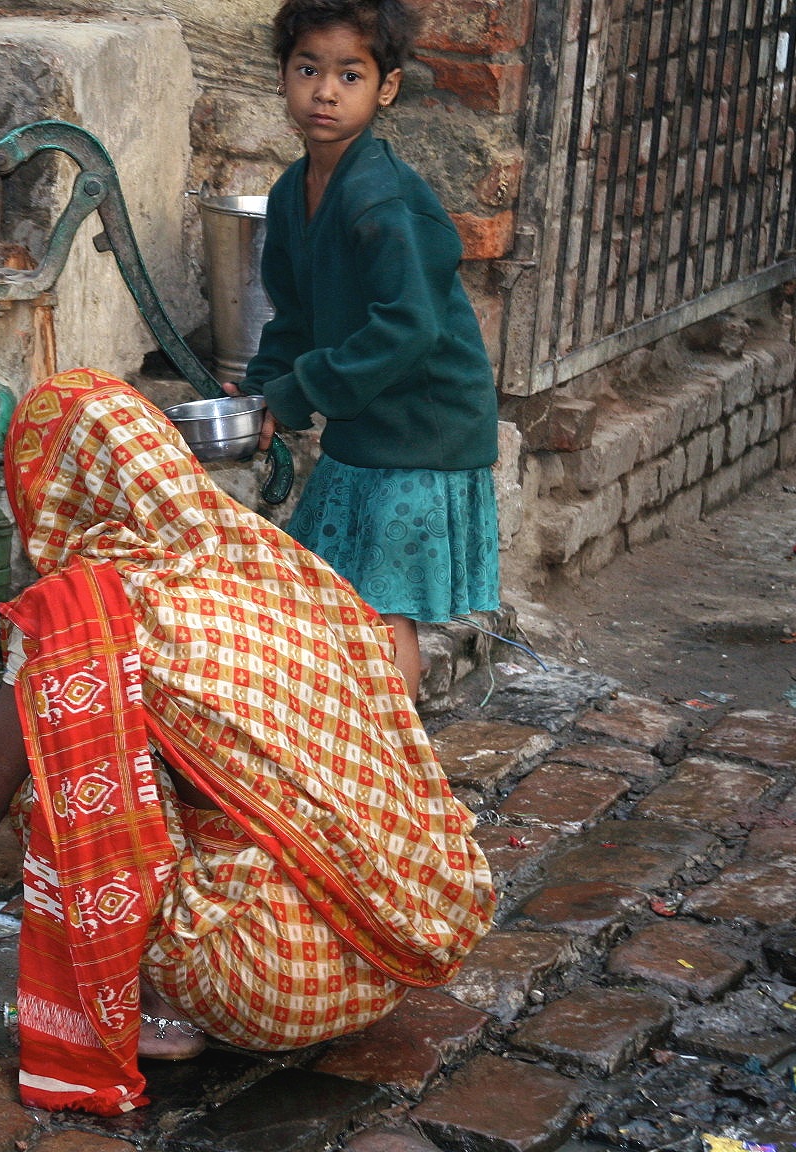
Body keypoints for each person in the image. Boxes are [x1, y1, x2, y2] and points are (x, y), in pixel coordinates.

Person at [0, 369, 494, 1116]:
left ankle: (156, 1006)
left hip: (264, 981)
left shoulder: (93, 612)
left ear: (50, 495)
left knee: (53, 766)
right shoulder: (273, 561)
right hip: (396, 943)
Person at [229, 0, 503, 700]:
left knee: (380, 614)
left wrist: (298, 393)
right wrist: (262, 393)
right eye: (308, 69)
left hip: (423, 426)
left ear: (386, 89)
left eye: (349, 75)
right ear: (284, 77)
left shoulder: (382, 201)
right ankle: (356, 755)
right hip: (366, 426)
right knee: (337, 598)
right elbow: (294, 315)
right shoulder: (294, 193)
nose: (325, 91)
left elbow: (408, 329)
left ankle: (397, 768)